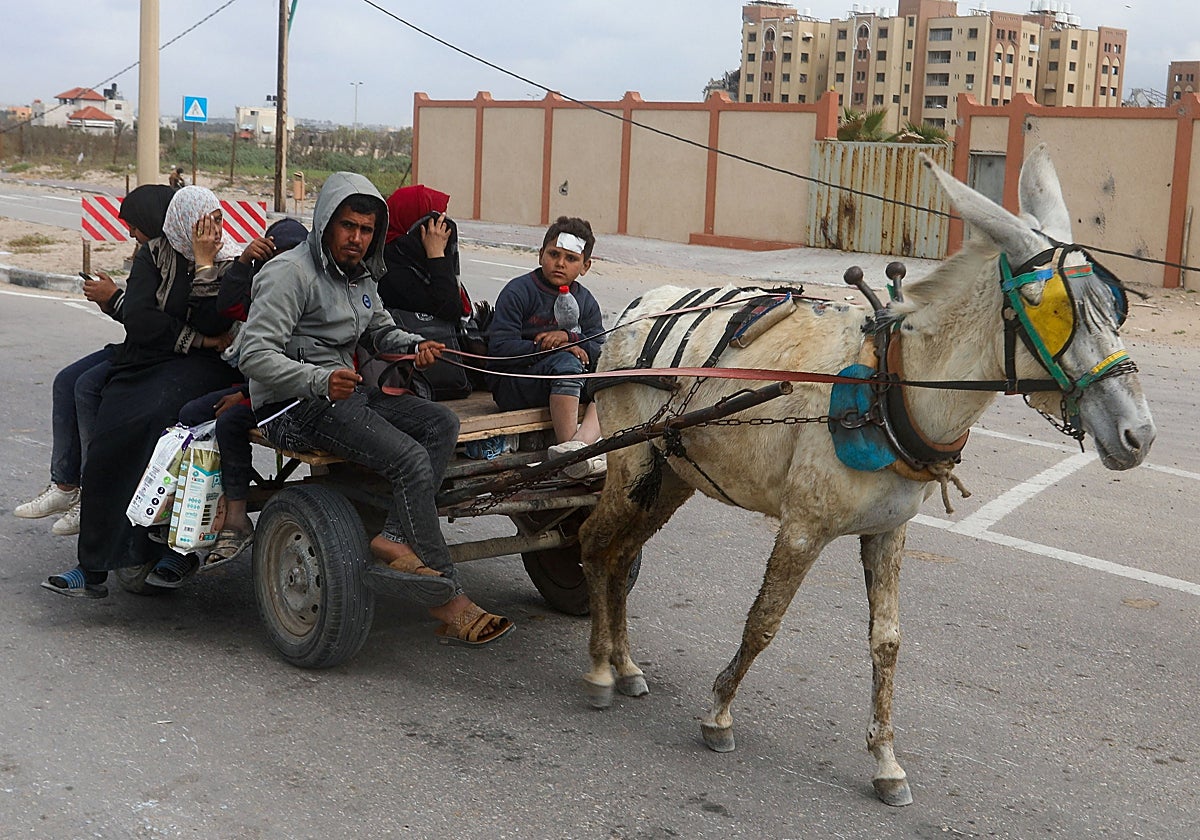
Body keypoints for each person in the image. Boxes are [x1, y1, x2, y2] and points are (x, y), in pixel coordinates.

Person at [238, 172, 513, 646]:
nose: (357, 239)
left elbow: (381, 331)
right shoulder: (289, 273)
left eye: (366, 230)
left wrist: (417, 345)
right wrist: (319, 378)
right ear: (326, 222)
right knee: (406, 459)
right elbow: (255, 355)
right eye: (348, 226)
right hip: (290, 406)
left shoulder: (361, 276)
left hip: (343, 394)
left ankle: (391, 534)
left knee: (440, 424)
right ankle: (448, 597)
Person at [41, 186, 241, 598]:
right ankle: (91, 567)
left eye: (218, 221)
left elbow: (216, 320)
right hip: (149, 362)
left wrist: (204, 267)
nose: (213, 231)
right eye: (204, 223)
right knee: (110, 437)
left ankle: (175, 551)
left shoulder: (231, 264)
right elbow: (140, 319)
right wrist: (199, 338)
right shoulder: (155, 255)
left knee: (165, 433)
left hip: (207, 370)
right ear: (182, 222)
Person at [15, 184, 175, 537]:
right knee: (66, 380)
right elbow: (135, 315)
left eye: (135, 224)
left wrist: (115, 298)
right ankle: (65, 484)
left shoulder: (170, 258)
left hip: (157, 357)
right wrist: (110, 300)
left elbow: (151, 322)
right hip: (136, 348)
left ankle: (92, 489)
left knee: (88, 387)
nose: (131, 232)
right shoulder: (148, 254)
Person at [173, 217, 309, 570]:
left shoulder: (310, 291)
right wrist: (244, 261)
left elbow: (300, 362)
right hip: (264, 385)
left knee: (231, 419)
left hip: (300, 390)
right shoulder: (267, 288)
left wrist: (247, 398)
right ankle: (205, 504)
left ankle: (236, 517)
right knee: (191, 413)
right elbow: (229, 307)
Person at [487, 216, 606, 479]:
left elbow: (600, 348)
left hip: (565, 382)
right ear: (541, 254)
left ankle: (575, 450)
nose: (560, 263)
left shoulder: (585, 301)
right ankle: (572, 458)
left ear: (585, 266)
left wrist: (569, 339)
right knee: (565, 364)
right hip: (516, 383)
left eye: (571, 258)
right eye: (554, 254)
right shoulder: (518, 291)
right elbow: (500, 349)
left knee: (611, 379)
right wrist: (550, 348)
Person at [377, 184, 463, 319]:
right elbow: (449, 309)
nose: (441, 230)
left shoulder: (416, 259)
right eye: (436, 221)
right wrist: (437, 257)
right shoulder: (391, 268)